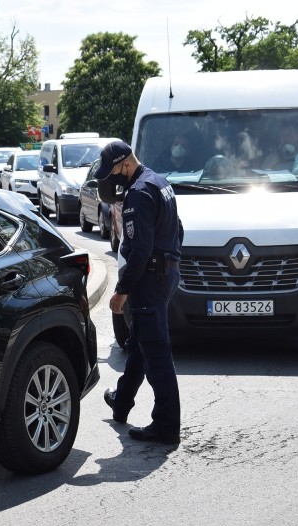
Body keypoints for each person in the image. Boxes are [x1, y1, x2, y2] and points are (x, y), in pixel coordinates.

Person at [95, 140, 184, 445]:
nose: (113, 179)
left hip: (150, 277)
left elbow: (141, 250)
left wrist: (122, 290)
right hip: (166, 273)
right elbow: (178, 229)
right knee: (140, 343)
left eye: (114, 172)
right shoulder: (159, 182)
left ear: (126, 165)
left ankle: (166, 425)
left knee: (156, 351)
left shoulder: (139, 194)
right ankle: (121, 401)